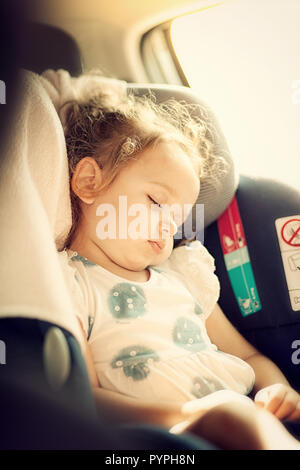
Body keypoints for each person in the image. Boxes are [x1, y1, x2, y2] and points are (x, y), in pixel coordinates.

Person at [58, 90, 300, 449]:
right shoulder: (69, 282)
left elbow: (249, 357)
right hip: (167, 437)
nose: (167, 229)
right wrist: (194, 416)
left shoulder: (182, 276)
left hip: (245, 417)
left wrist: (278, 390)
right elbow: (86, 398)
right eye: (156, 202)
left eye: (176, 220)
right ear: (89, 182)